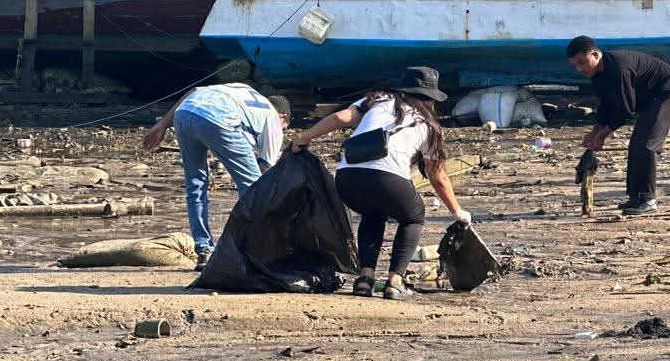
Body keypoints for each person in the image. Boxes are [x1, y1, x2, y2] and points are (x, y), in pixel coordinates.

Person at [292, 66, 471, 301]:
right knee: (413, 217)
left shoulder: (377, 100)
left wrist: (304, 139)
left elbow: (340, 118)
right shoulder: (428, 125)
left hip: (347, 179)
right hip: (388, 180)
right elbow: (438, 177)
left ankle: (364, 279)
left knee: (372, 213)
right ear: (430, 99)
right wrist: (457, 211)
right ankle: (395, 282)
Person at [142, 82, 289, 270]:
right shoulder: (271, 117)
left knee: (195, 185)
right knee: (254, 189)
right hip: (220, 119)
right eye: (284, 128)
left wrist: (162, 124)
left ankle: (204, 250)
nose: (282, 132)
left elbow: (194, 91)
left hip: (184, 114)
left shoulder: (240, 90)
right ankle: (257, 250)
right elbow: (265, 169)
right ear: (283, 117)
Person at [566, 37, 670, 216]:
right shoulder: (597, 76)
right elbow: (607, 106)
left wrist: (602, 136)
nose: (580, 69)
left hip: (668, 93)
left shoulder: (619, 68)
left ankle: (648, 199)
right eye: (575, 65)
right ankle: (635, 198)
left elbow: (625, 111)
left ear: (596, 54)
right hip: (647, 98)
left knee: (646, 144)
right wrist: (594, 133)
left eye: (583, 62)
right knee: (636, 144)